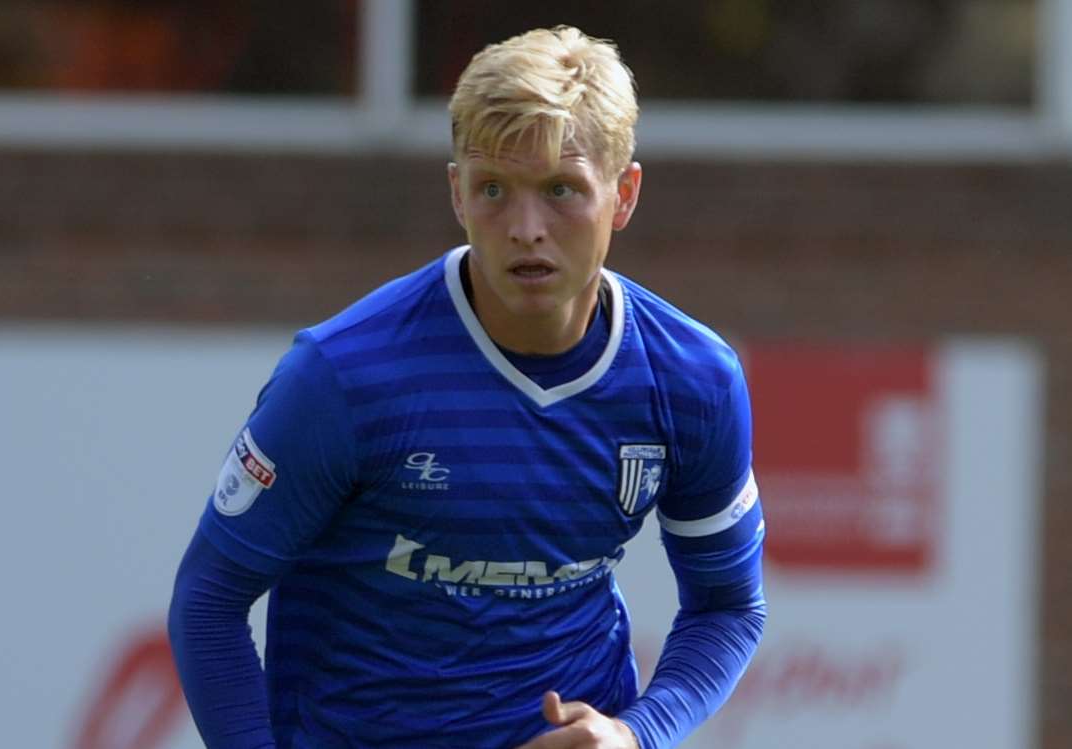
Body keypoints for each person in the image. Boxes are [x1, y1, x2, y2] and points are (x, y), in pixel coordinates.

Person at [168, 25, 766, 749]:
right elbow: (208, 601)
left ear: (624, 194)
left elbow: (728, 606)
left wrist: (637, 734)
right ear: (456, 193)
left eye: (561, 191)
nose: (525, 228)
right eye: (493, 189)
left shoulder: (691, 379)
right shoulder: (345, 375)